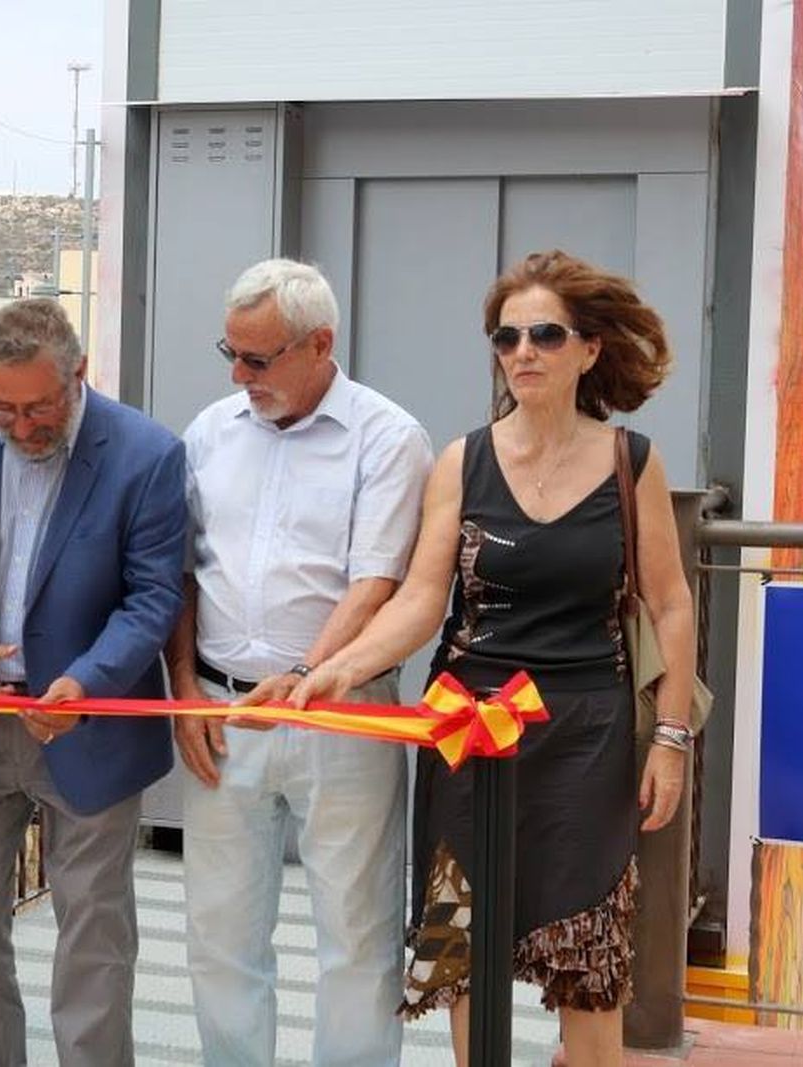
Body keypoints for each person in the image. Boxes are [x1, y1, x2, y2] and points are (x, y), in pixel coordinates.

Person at [291, 250, 697, 1067]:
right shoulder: (462, 460)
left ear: (588, 349)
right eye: (507, 337)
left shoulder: (632, 462)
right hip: (467, 728)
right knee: (464, 943)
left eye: (545, 334)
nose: (523, 352)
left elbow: (671, 602)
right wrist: (336, 668)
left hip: (586, 732)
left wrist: (671, 737)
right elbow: (420, 598)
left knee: (589, 964)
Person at [0, 298, 186, 1066]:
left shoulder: (148, 452)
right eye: (3, 408)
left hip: (90, 724)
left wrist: (88, 682)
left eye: (39, 407)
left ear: (78, 373)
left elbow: (153, 596)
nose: (21, 427)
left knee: (93, 928)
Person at [167, 258, 434, 1066]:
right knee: (219, 932)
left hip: (345, 714)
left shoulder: (388, 436)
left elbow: (376, 582)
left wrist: (307, 674)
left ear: (321, 344)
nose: (239, 375)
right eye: (231, 353)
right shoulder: (210, 432)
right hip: (222, 712)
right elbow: (182, 572)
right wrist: (183, 689)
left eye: (258, 358)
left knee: (356, 932)